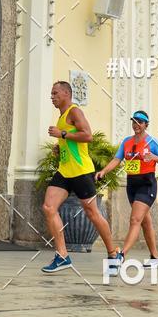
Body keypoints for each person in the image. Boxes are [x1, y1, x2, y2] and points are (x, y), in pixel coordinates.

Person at [41, 81, 121, 273]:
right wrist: (59, 147)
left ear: (66, 94)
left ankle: (113, 252)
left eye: (55, 93)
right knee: (48, 207)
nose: (52, 97)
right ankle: (62, 256)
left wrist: (62, 134)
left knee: (92, 213)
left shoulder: (75, 112)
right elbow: (70, 140)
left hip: (82, 171)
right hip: (65, 170)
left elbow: (88, 136)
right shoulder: (61, 116)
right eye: (51, 93)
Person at [96, 110, 158, 260]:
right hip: (132, 185)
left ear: (146, 125)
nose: (136, 125)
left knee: (135, 220)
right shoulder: (127, 142)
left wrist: (153, 157)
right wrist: (104, 171)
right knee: (145, 222)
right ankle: (155, 258)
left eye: (139, 122)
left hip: (147, 184)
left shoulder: (151, 142)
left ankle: (121, 255)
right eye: (134, 121)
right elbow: (117, 159)